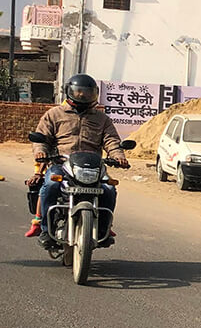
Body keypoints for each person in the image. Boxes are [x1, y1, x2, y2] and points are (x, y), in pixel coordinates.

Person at [26, 73, 128, 248]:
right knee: (50, 186)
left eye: (88, 93)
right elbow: (41, 138)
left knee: (109, 189)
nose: (83, 96)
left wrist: (118, 156)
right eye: (79, 92)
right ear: (69, 92)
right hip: (61, 164)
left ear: (94, 94)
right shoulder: (54, 114)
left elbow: (111, 140)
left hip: (93, 166)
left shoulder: (102, 119)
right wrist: (41, 152)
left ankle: (104, 229)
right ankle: (45, 229)